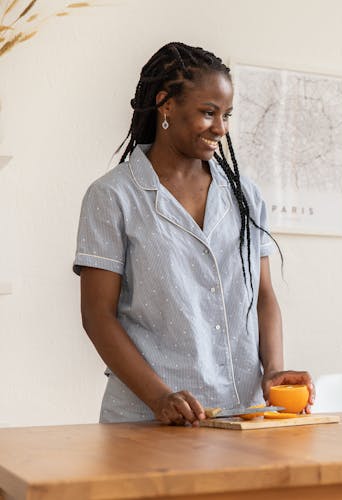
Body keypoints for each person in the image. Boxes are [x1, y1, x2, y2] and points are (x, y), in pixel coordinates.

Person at [73, 42, 313, 425]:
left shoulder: (244, 195)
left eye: (226, 115)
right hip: (145, 421)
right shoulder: (112, 196)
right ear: (166, 104)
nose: (221, 128)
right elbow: (97, 316)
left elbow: (264, 296)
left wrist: (274, 371)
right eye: (208, 112)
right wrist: (159, 398)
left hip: (241, 417)